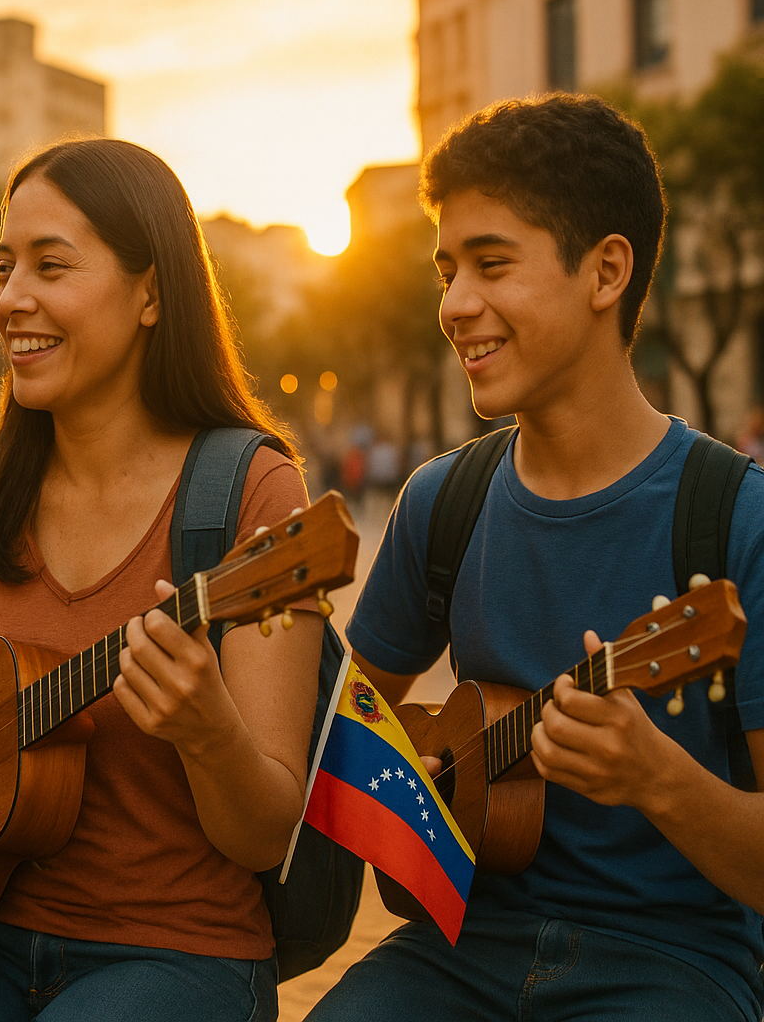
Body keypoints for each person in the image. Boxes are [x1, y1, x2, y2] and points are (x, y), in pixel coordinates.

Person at [0, 138, 323, 1022]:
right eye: (4, 266)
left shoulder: (252, 498)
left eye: (50, 267)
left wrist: (209, 731)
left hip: (180, 950)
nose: (9, 299)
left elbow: (265, 831)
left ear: (151, 293)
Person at [306, 95, 764, 1022]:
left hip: (674, 965)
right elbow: (341, 738)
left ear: (606, 272)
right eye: (446, 271)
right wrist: (424, 789)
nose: (454, 305)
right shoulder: (444, 502)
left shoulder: (735, 521)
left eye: (491, 264)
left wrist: (658, 780)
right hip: (457, 950)